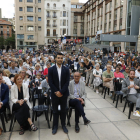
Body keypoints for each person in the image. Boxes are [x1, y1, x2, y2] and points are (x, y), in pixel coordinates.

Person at [48, 52, 70, 135]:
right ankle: (55, 126)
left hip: (64, 94)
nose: (60, 59)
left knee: (64, 110)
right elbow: (50, 82)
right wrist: (56, 92)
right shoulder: (51, 69)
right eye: (58, 57)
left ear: (63, 59)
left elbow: (67, 82)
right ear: (55, 59)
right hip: (54, 94)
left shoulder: (66, 69)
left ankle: (63, 125)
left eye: (61, 58)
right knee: (55, 111)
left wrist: (61, 92)